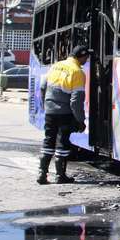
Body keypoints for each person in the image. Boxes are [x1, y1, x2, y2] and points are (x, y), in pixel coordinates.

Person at [37, 45, 89, 184]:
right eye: (86, 57)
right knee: (62, 143)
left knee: (48, 140)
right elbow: (76, 101)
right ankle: (60, 176)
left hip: (50, 111)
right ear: (82, 56)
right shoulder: (77, 72)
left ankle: (42, 174)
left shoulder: (56, 66)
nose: (87, 60)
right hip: (64, 113)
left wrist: (45, 106)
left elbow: (42, 86)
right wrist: (80, 120)